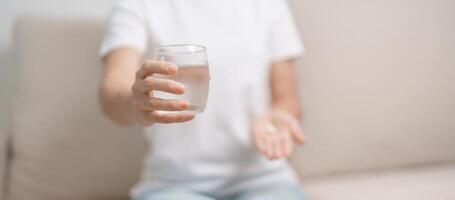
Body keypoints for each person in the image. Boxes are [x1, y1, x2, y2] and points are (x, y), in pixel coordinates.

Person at [99, 0, 306, 199]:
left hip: (265, 180)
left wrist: (279, 117)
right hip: (175, 184)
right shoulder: (139, 4)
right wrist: (135, 103)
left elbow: (287, 101)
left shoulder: (267, 3)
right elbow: (112, 92)